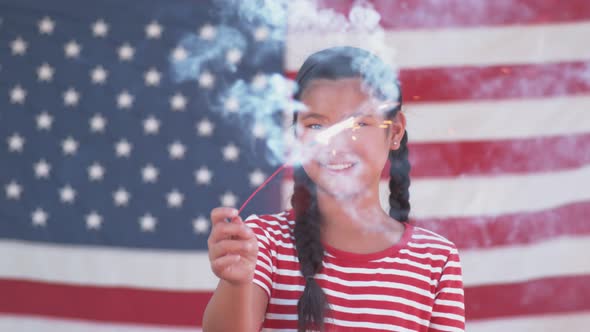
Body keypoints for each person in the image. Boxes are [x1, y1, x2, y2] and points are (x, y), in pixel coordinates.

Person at [203, 46, 465, 332]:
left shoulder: (436, 259)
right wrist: (236, 282)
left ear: (396, 131)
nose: (335, 143)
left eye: (359, 122)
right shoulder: (262, 243)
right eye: (315, 125)